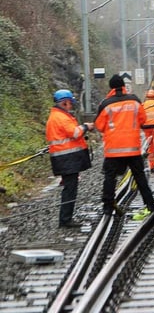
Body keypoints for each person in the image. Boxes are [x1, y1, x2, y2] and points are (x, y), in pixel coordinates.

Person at [94, 74, 154, 216]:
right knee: (140, 176)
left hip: (113, 150)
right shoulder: (134, 101)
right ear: (123, 85)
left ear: (111, 87)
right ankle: (150, 204)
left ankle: (107, 207)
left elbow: (99, 125)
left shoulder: (105, 104)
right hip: (133, 149)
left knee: (110, 178)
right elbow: (143, 119)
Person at [45, 89, 94, 228]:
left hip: (64, 158)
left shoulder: (57, 116)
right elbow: (74, 133)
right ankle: (65, 220)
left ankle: (66, 218)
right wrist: (86, 126)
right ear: (65, 102)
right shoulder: (61, 117)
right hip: (66, 158)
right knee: (70, 189)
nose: (71, 105)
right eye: (70, 102)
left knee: (70, 187)